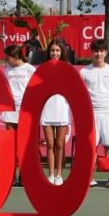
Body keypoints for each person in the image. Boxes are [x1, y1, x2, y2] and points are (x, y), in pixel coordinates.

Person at [79, 39, 109, 188]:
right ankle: (89, 177)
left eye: (101, 51)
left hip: (108, 113)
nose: (98, 54)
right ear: (92, 53)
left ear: (106, 52)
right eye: (96, 51)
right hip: (91, 115)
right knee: (91, 148)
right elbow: (81, 95)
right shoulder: (84, 72)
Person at [2, 44, 36, 186]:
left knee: (24, 144)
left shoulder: (30, 69)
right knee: (11, 145)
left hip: (25, 110)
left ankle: (24, 175)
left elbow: (35, 90)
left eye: (8, 58)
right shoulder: (8, 70)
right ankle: (11, 176)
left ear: (16, 57)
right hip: (10, 109)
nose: (6, 60)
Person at [40, 39, 72, 185]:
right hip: (47, 109)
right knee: (50, 144)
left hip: (61, 109)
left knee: (59, 144)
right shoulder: (43, 67)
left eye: (57, 50)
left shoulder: (67, 67)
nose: (54, 53)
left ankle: (59, 175)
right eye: (52, 50)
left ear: (62, 52)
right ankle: (51, 174)